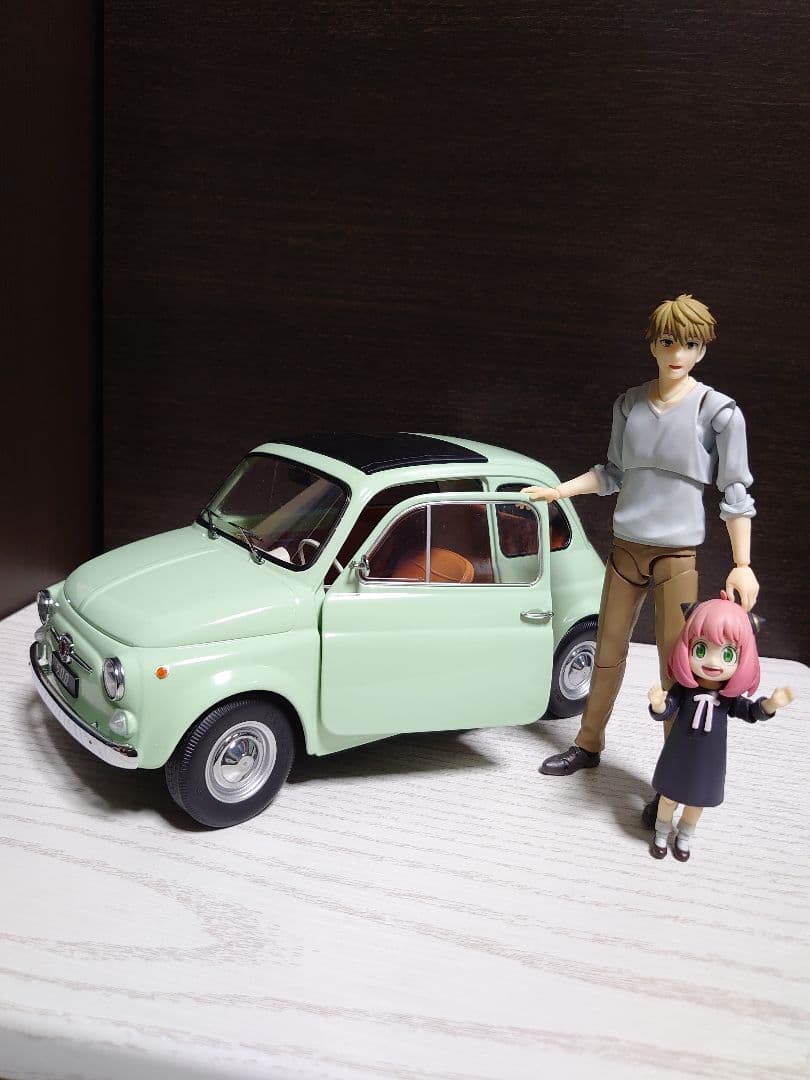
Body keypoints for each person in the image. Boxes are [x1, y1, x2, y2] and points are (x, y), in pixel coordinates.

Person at [523, 294, 759, 791]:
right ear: (653, 344)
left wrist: (742, 563)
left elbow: (736, 493)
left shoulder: (718, 413)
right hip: (626, 549)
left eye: (690, 344)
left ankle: (672, 777)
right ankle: (588, 742)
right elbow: (612, 472)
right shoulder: (629, 404)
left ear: (702, 350)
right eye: (668, 341)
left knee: (678, 669)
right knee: (606, 652)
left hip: (676, 556)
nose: (677, 353)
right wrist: (560, 490)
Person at [647, 594, 793, 861]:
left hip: (709, 759)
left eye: (727, 654)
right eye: (701, 649)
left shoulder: (728, 699)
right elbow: (667, 709)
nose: (713, 663)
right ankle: (660, 832)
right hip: (678, 753)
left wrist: (770, 704)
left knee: (697, 803)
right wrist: (658, 705)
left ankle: (684, 836)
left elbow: (750, 711)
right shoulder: (685, 690)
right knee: (668, 797)